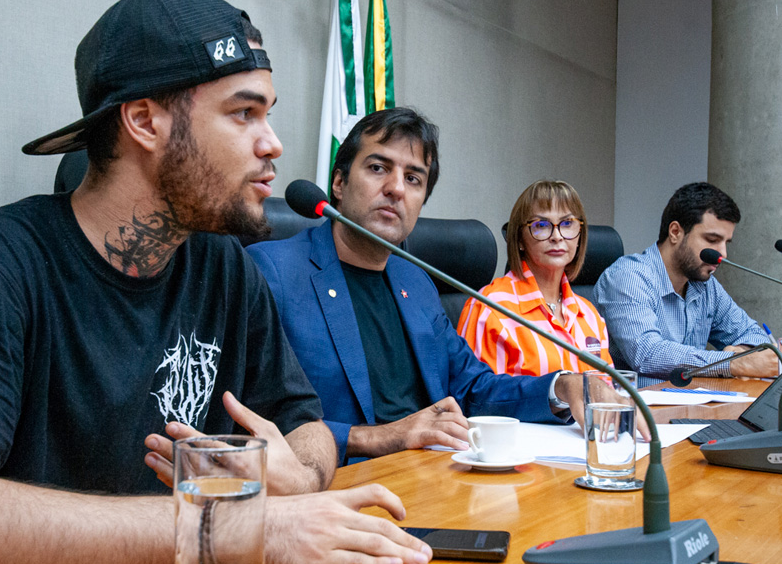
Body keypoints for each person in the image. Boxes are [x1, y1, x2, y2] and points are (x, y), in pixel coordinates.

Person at [0, 0, 432, 564]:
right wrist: (237, 526)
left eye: (268, 114)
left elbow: (305, 426)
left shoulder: (223, 265)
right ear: (143, 121)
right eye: (244, 113)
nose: (273, 144)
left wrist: (302, 475)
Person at [247, 108, 592, 465]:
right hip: (342, 488)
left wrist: (562, 387)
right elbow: (251, 417)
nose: (396, 188)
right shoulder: (273, 273)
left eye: (413, 178)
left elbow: (474, 390)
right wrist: (383, 436)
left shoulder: (415, 281)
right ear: (339, 182)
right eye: (378, 168)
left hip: (434, 477)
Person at [594, 182, 777, 387]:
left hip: (695, 407)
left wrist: (744, 353)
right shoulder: (628, 277)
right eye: (712, 240)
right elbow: (647, 354)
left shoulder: (706, 286)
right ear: (675, 232)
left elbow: (753, 335)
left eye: (726, 243)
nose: (722, 255)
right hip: (640, 411)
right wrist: (732, 363)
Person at [457, 180, 613, 376]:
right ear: (520, 239)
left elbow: (607, 393)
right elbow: (478, 399)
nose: (557, 236)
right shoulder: (488, 309)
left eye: (567, 224)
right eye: (541, 225)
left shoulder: (590, 316)